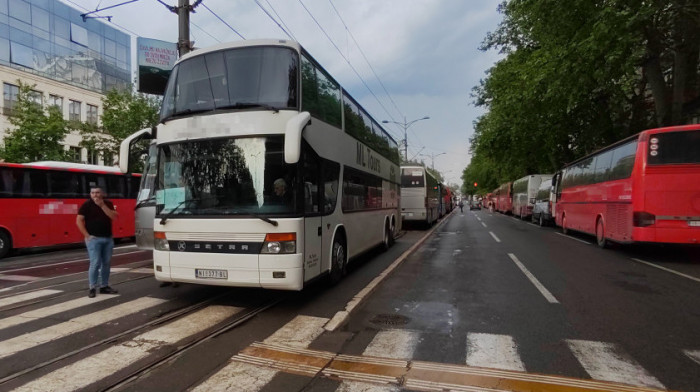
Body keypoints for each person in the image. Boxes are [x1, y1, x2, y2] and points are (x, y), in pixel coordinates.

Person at [76, 187, 119, 298]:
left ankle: (104, 286)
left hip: (107, 238)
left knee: (106, 263)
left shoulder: (108, 203)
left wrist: (102, 205)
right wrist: (87, 235)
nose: (95, 195)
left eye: (97, 192)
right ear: (90, 194)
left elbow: (114, 216)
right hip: (94, 240)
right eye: (93, 193)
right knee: (95, 263)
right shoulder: (86, 205)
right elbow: (79, 220)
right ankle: (92, 287)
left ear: (102, 194)